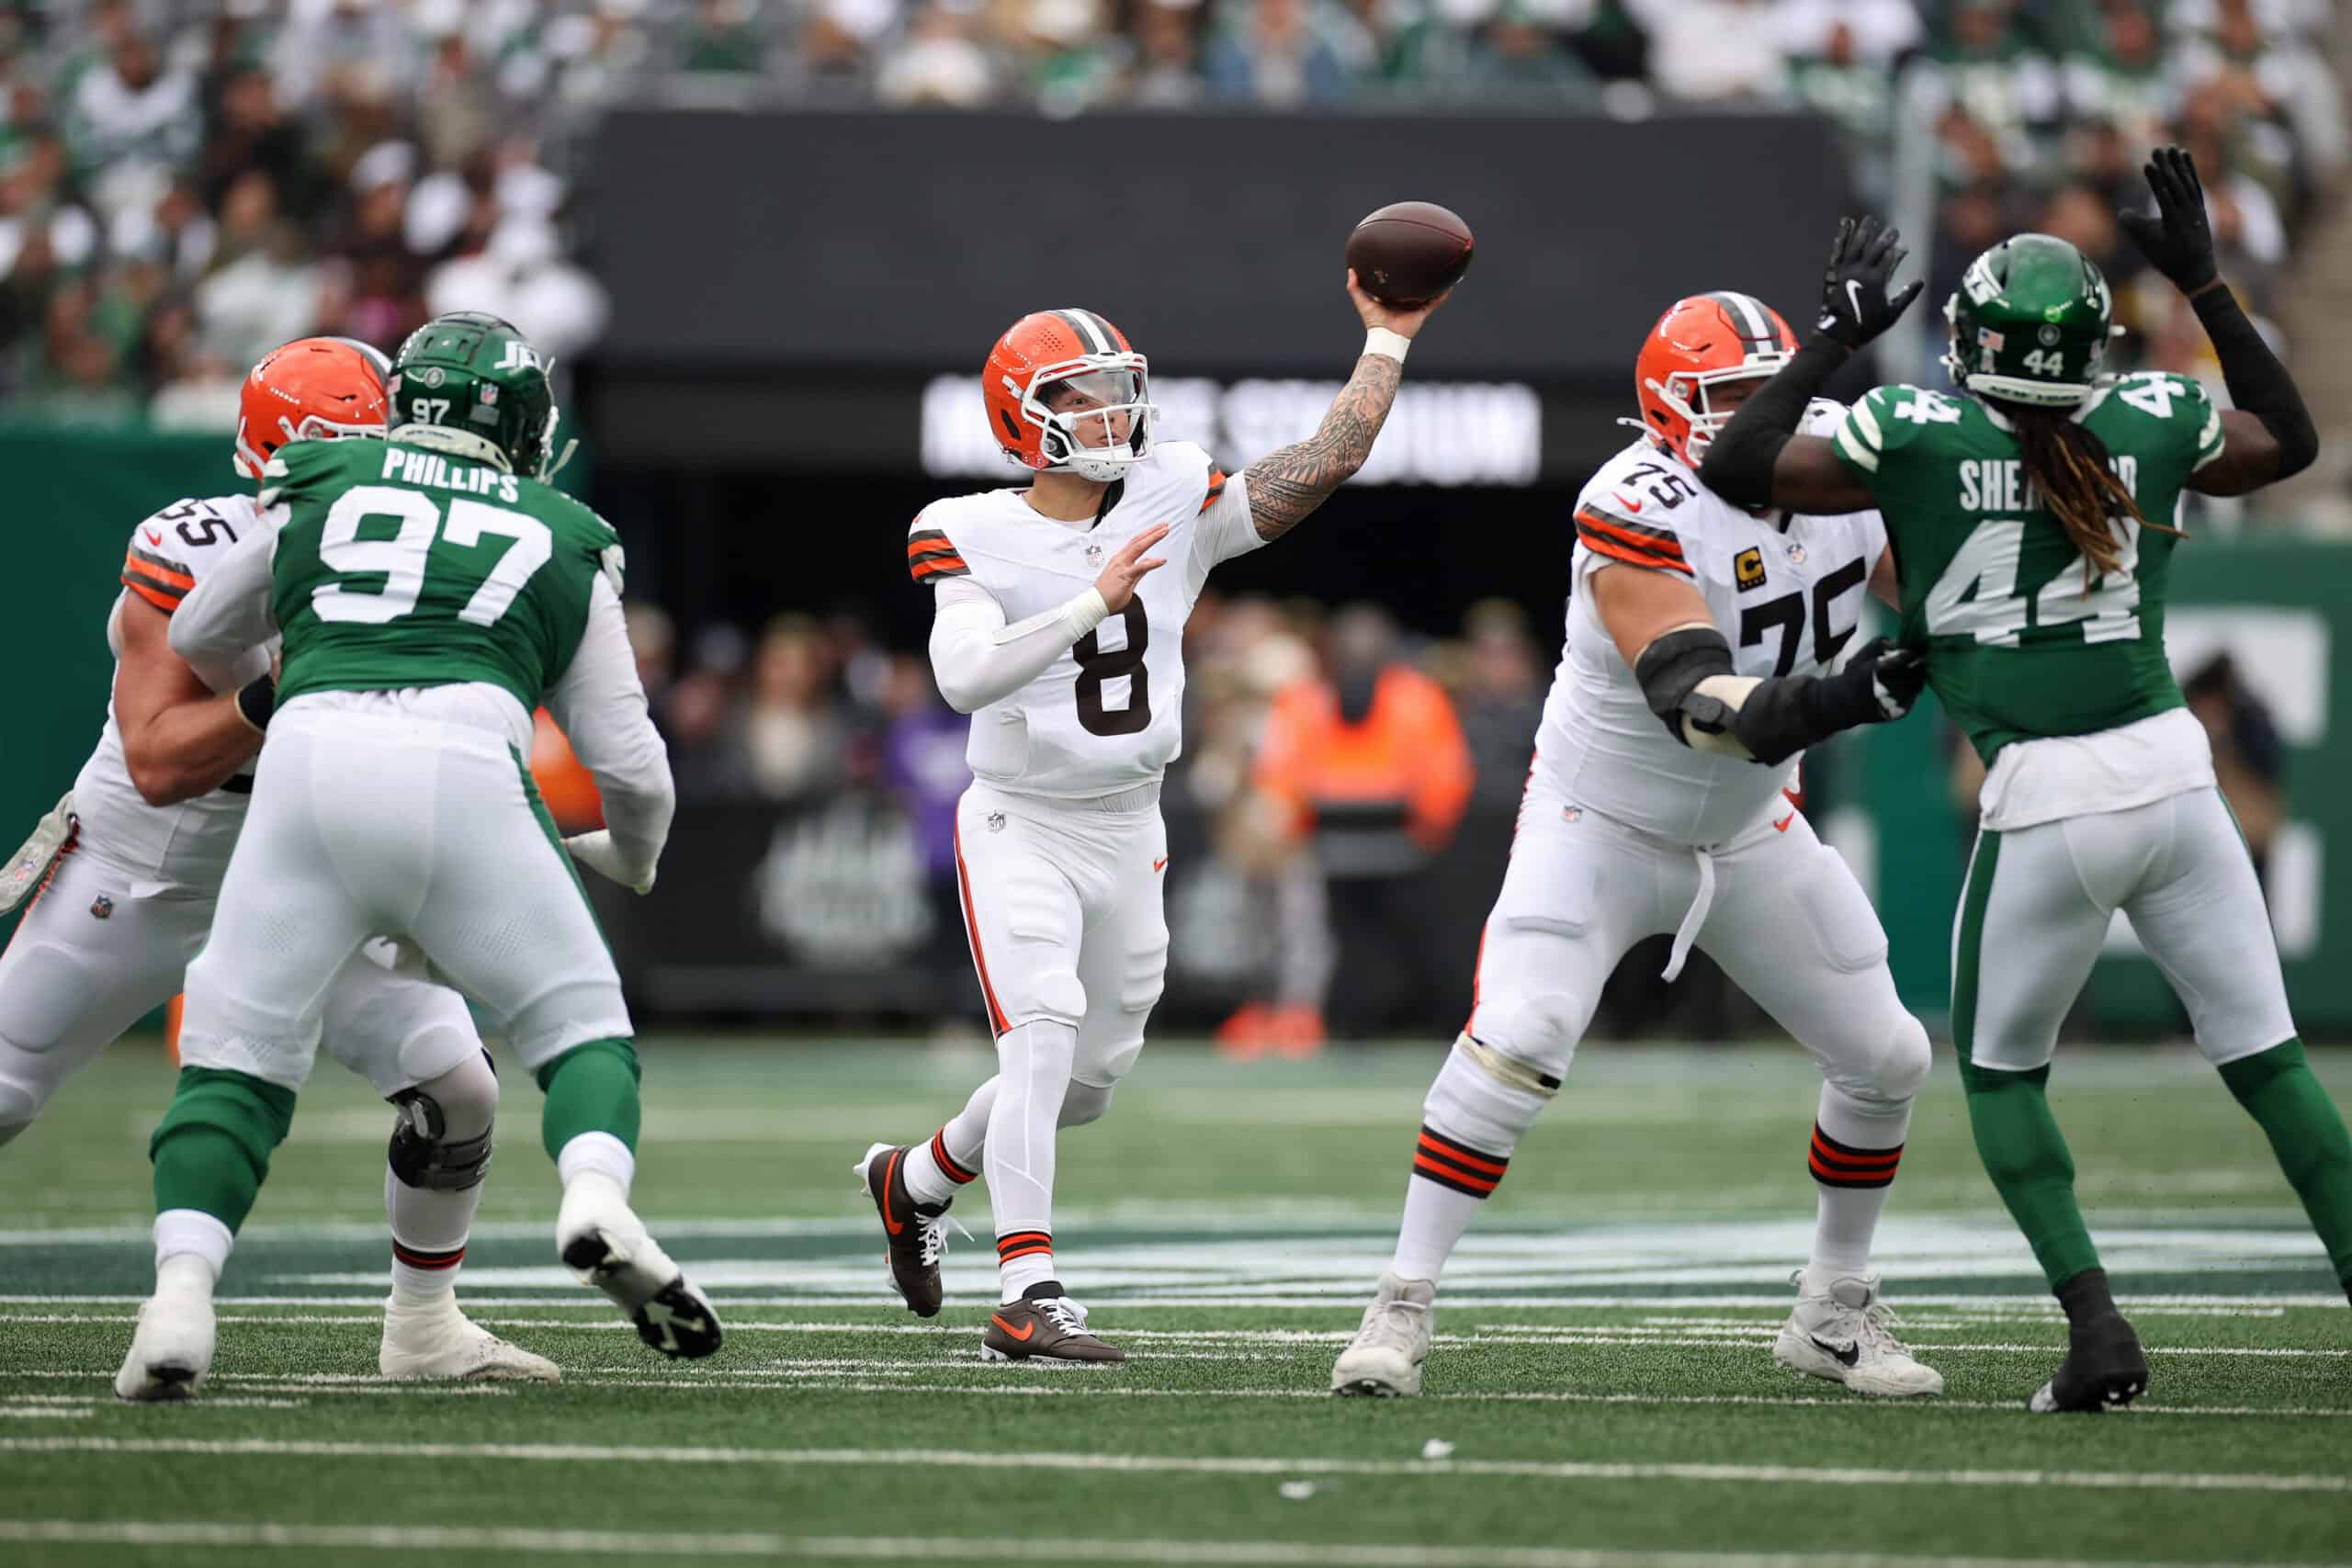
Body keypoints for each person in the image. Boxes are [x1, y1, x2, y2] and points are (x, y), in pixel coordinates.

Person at [1697, 148, 2346, 1413]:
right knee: (2271, 1062)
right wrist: (2207, 285)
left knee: (2001, 1074)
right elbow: (2293, 440)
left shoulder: (1917, 431)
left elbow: (1739, 465)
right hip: (2171, 770)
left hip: (2046, 797)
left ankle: (2097, 1325)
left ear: (1972, 338)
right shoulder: (2153, 416)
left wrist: (1830, 340)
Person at [1330, 289, 1941, 1401]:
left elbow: (1950, 594)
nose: (1765, 418)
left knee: (1890, 1055)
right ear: (1669, 414)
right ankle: (1403, 1299)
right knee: (1520, 1037)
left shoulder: (1844, 486)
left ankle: (1833, 1307)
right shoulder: (1640, 502)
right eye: (1732, 400)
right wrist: (1847, 694)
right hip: (1601, 822)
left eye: (1778, 393)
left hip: (1750, 828)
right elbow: (1702, 705)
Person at [111, 312, 716, 1401]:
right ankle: (593, 1199)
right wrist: (633, 857)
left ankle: (181, 1301)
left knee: (238, 1057)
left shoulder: (320, 476)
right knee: (579, 1029)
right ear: (526, 425)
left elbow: (202, 632)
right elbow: (633, 768)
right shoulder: (564, 530)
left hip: (304, 764)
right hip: (464, 768)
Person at [860, 280, 1446, 1363]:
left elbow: (1324, 460)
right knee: (1036, 1030)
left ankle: (920, 1177)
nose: (1107, 416)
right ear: (1019, 419)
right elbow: (960, 678)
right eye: (1077, 398)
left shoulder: (1172, 489)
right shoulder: (963, 527)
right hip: (1021, 820)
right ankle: (1027, 1292)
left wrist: (1388, 340)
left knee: (1083, 1084)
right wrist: (1090, 602)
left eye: (1114, 392)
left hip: (1132, 826)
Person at [0, 337, 553, 1386]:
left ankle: (424, 1329)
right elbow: (161, 763)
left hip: (302, 872)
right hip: (145, 868)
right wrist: (281, 690)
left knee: (459, 1088)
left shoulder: (416, 560)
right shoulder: (197, 549)